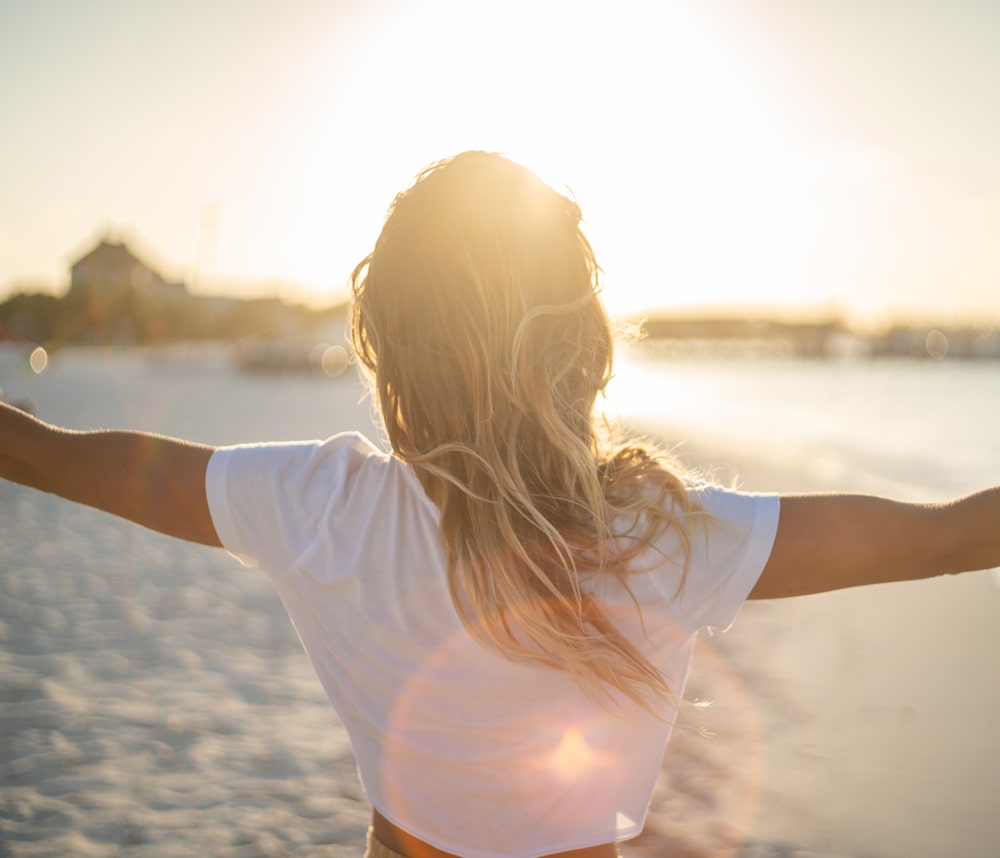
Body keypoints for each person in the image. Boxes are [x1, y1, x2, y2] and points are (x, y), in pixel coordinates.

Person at [1, 150, 997, 858]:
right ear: (580, 344)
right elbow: (952, 535)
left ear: (385, 348)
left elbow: (47, 456)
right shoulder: (661, 540)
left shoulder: (315, 505)